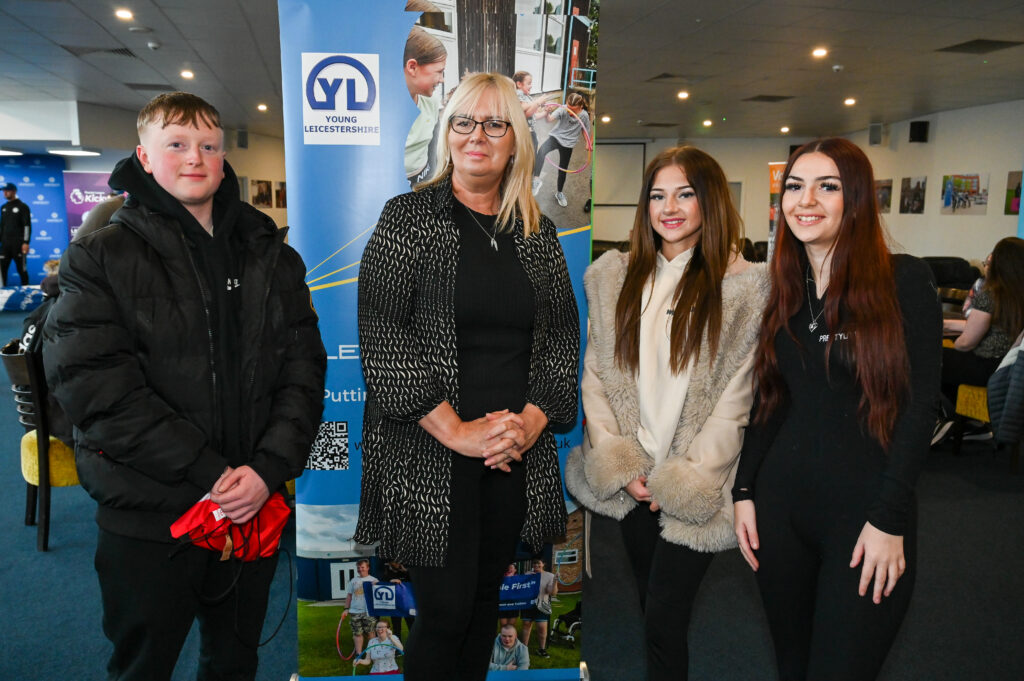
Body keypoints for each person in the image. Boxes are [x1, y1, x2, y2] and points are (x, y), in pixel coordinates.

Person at [41, 91, 327, 681]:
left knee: (233, 662)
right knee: (144, 666)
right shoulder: (98, 256)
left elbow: (304, 370)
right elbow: (97, 392)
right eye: (176, 144)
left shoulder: (272, 253)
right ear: (145, 157)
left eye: (208, 145)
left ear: (223, 158)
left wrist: (268, 470)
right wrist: (211, 475)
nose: (194, 158)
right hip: (152, 516)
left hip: (252, 504)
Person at [355, 72, 579, 681]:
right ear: (447, 133)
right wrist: (459, 432)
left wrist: (528, 426)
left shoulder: (539, 233)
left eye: (494, 123)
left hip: (511, 455)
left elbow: (559, 339)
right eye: (463, 122)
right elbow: (382, 336)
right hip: (432, 452)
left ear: (516, 141)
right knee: (446, 614)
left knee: (484, 605)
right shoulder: (408, 218)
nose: (476, 135)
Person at [732, 138, 941, 681]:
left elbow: (918, 409)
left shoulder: (904, 280)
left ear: (857, 199)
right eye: (795, 186)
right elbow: (770, 399)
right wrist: (744, 491)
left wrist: (889, 518)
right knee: (793, 668)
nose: (807, 200)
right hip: (781, 514)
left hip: (866, 516)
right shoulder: (784, 288)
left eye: (828, 186)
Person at [565, 145, 767, 680]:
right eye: (657, 195)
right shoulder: (614, 277)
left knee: (664, 616)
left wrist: (686, 480)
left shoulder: (745, 288)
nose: (669, 207)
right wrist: (621, 464)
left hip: (694, 486)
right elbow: (598, 379)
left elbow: (734, 403)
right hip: (634, 479)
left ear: (711, 201)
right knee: (652, 615)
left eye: (684, 193)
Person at [935, 237, 1024, 442]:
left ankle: (943, 419)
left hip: (984, 366)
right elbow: (992, 327)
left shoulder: (991, 294)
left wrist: (955, 343)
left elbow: (967, 342)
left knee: (927, 358)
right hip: (1009, 368)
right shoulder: (1017, 294)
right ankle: (970, 423)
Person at [404, 26, 447, 186]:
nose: (441, 79)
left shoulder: (432, 103)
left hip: (421, 183)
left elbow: (434, 150)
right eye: (439, 72)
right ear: (412, 67)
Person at [531, 92, 591, 208]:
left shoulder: (584, 115)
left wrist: (587, 143)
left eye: (573, 109)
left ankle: (559, 193)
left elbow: (585, 130)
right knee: (541, 152)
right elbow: (549, 120)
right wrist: (547, 112)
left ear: (581, 107)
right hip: (556, 137)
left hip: (568, 144)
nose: (569, 111)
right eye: (568, 107)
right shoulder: (563, 109)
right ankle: (536, 180)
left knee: (563, 169)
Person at [519, 558, 557, 658]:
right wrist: (526, 579)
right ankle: (523, 649)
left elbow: (552, 592)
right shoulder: (528, 574)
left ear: (543, 564)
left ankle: (542, 649)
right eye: (534, 563)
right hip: (528, 604)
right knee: (526, 625)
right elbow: (521, 588)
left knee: (542, 628)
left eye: (538, 563)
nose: (536, 565)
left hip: (542, 604)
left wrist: (555, 582)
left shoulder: (550, 576)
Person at [512, 71, 555, 152]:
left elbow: (533, 116)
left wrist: (545, 112)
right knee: (528, 158)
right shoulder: (518, 93)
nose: (531, 86)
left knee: (532, 155)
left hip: (530, 133)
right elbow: (524, 112)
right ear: (519, 84)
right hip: (524, 134)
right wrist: (537, 102)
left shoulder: (526, 96)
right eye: (529, 83)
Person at [345, 558, 380, 657]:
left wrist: (377, 585)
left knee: (370, 633)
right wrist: (346, 609)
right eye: (358, 567)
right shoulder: (353, 581)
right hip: (355, 612)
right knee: (357, 633)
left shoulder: (374, 580)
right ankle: (358, 654)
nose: (360, 569)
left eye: (362, 567)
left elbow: (380, 594)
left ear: (368, 568)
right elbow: (349, 596)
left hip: (369, 612)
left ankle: (372, 653)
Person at [0, 181, 31, 285]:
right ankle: (1, 292)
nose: (4, 193)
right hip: (5, 245)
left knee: (22, 269)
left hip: (18, 245)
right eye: (3, 191)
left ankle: (27, 292)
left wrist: (26, 242)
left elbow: (27, 225)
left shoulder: (23, 206)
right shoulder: (3, 207)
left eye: (7, 191)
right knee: (2, 270)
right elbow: (2, 226)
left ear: (14, 191)